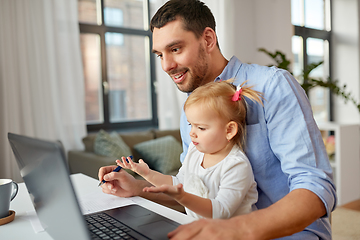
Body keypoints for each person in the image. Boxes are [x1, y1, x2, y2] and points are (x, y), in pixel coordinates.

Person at [98, 0, 336, 239]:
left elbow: (316, 187)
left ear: (208, 40)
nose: (167, 65)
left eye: (176, 49)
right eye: (160, 54)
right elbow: (193, 188)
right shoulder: (191, 111)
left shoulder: (272, 85)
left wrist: (237, 229)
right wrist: (138, 187)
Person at [116, 80, 262, 219]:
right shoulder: (195, 151)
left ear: (229, 130)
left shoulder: (236, 165)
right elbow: (178, 183)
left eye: (201, 127)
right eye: (190, 124)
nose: (192, 133)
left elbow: (220, 211)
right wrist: (147, 173)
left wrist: (182, 197)